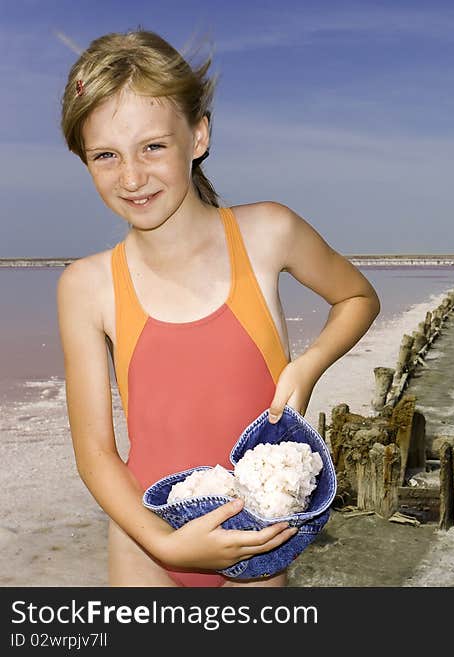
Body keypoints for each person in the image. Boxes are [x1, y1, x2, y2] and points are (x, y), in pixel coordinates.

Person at [56, 29, 380, 587]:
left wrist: (306, 366)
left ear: (198, 134)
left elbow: (357, 297)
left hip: (255, 547)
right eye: (106, 155)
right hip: (146, 544)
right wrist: (166, 545)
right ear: (84, 159)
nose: (131, 177)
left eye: (153, 146)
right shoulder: (86, 286)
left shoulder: (268, 232)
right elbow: (94, 453)